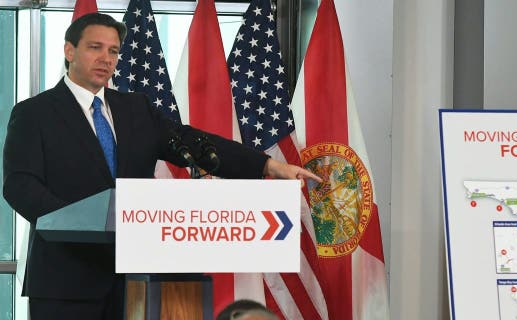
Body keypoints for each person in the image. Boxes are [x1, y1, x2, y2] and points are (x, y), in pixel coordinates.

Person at [2, 13, 320, 320]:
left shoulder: (134, 109)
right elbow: (20, 186)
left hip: (138, 279)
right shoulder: (34, 114)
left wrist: (269, 166)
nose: (105, 58)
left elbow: (193, 142)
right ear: (69, 50)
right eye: (94, 47)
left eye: (113, 51)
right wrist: (76, 225)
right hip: (66, 279)